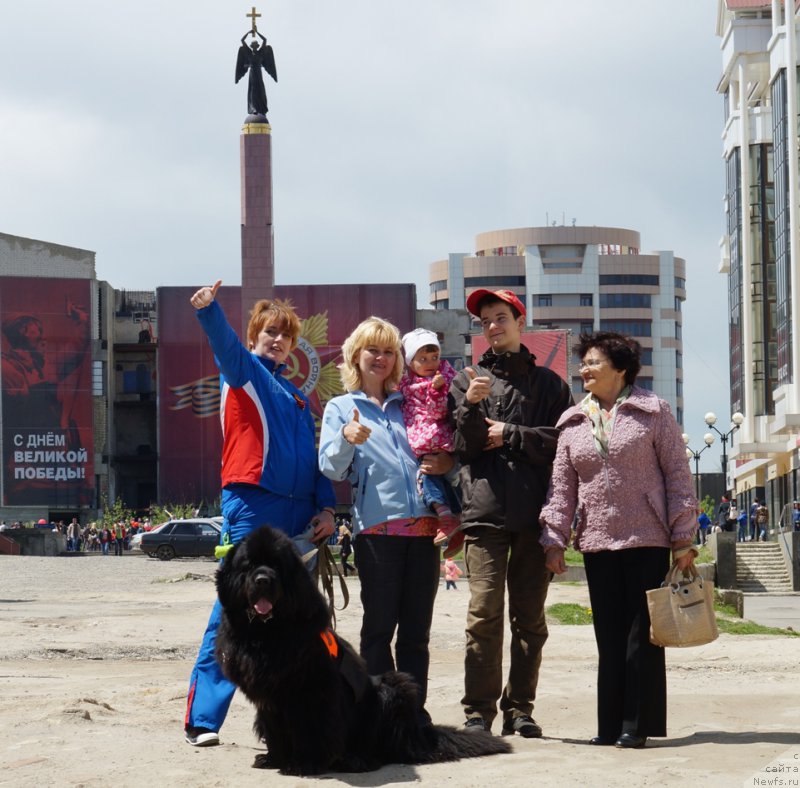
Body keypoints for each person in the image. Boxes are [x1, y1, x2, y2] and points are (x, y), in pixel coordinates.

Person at [184, 280, 336, 748]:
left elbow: (314, 460)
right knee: (231, 612)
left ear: (293, 346)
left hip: (300, 515)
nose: (277, 340)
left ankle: (287, 721)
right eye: (269, 332)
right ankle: (203, 720)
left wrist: (327, 505)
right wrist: (210, 312)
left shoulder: (296, 398)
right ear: (254, 337)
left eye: (285, 335)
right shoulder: (244, 372)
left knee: (296, 614)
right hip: (252, 505)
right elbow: (226, 349)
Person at [540, 331, 697, 750]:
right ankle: (609, 725)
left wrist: (683, 536)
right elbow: (561, 488)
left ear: (620, 369)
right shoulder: (573, 422)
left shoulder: (653, 411)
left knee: (640, 635)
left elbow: (678, 474)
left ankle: (636, 724)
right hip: (596, 540)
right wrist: (554, 538)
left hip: (647, 537)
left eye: (593, 362)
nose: (584, 370)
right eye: (583, 363)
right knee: (608, 636)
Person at [448, 289, 573, 737]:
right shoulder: (466, 380)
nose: (493, 327)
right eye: (485, 322)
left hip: (535, 517)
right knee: (483, 613)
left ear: (521, 323)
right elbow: (463, 449)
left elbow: (563, 443)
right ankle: (478, 710)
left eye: (501, 318)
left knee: (530, 617)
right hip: (484, 514)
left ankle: (520, 707)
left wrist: (511, 434)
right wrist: (470, 407)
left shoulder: (552, 386)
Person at [319, 316, 454, 727]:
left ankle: (412, 714)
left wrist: (448, 461)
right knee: (378, 630)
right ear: (355, 356)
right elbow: (330, 467)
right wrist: (346, 436)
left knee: (417, 633)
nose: (380, 358)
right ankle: (378, 713)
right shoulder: (342, 407)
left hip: (426, 532)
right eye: (372, 350)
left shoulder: (409, 400)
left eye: (388, 351)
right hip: (377, 534)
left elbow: (439, 448)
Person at [398, 328, 462, 556]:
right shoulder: (407, 384)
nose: (430, 363)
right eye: (422, 359)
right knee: (438, 481)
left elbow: (438, 412)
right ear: (410, 362)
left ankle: (445, 517)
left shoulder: (443, 379)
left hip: (434, 439)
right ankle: (455, 520)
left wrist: (437, 391)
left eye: (434, 357)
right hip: (425, 439)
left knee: (426, 477)